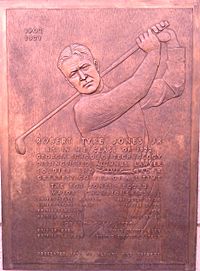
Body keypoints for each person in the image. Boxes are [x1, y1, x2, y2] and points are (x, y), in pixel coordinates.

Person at [57, 22, 185, 257]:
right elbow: (136, 88)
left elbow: (173, 86)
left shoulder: (126, 97)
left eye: (85, 67)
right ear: (68, 81)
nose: (83, 76)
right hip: (108, 189)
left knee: (143, 255)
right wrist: (153, 52)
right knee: (102, 256)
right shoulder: (85, 110)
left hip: (145, 184)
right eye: (73, 74)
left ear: (96, 65)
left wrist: (173, 44)